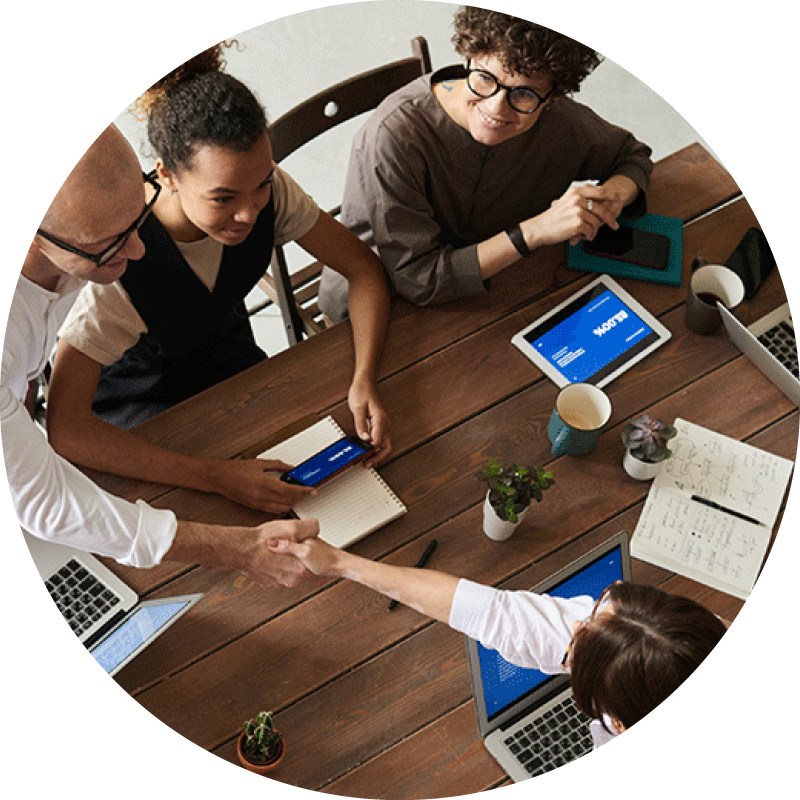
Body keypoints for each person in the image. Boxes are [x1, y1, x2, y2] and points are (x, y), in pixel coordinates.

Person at [46, 45, 392, 516]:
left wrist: (364, 379)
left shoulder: (269, 195)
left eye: (262, 183)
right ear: (166, 175)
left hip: (227, 363)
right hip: (144, 411)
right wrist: (213, 477)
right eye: (223, 198)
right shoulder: (119, 269)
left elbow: (363, 270)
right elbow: (66, 429)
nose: (249, 212)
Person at [0, 123, 319, 585]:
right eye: (108, 243)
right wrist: (240, 549)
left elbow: (24, 375)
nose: (139, 248)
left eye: (137, 218)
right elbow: (45, 504)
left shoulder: (82, 240)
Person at [319, 6, 654, 322]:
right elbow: (420, 280)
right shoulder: (393, 135)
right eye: (485, 78)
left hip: (495, 286)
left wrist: (608, 198)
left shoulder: (558, 121)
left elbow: (631, 155)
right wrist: (535, 231)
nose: (497, 108)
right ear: (469, 56)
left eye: (524, 93)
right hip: (382, 304)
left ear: (553, 98)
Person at [268, 536, 729, 736]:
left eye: (580, 644)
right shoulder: (701, 648)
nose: (575, 621)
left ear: (620, 726)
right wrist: (343, 564)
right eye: (600, 606)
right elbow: (494, 613)